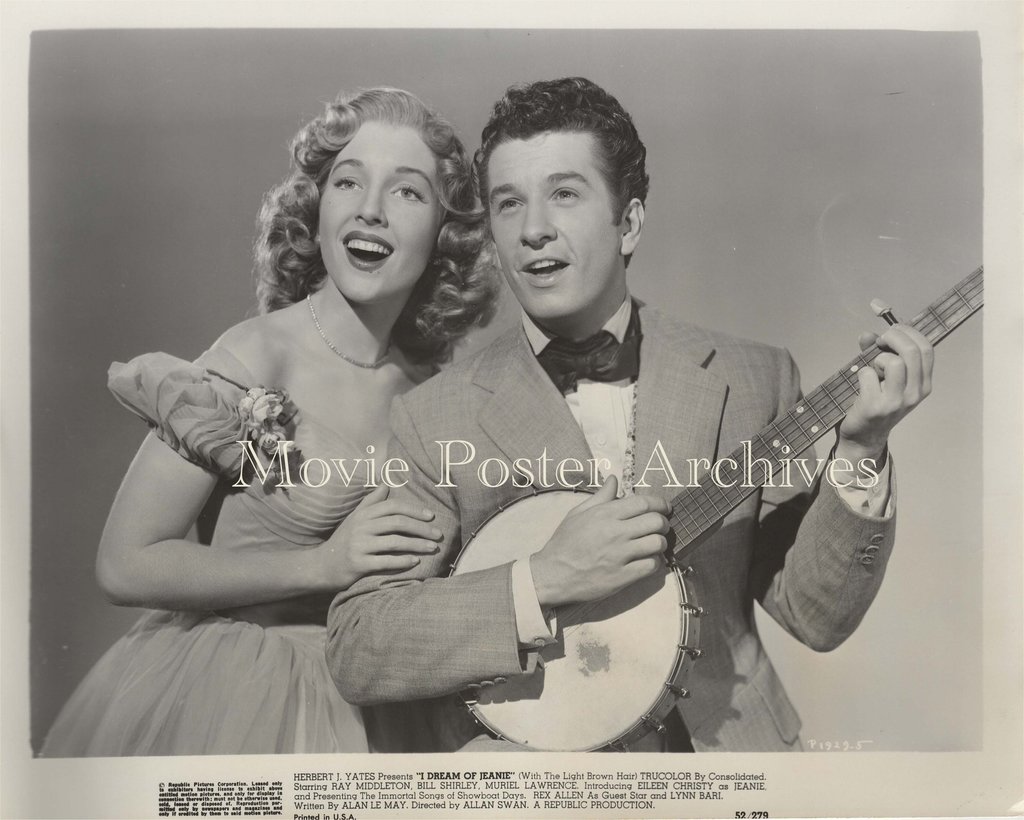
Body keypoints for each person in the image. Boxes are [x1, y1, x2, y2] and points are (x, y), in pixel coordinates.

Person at [325, 77, 935, 753]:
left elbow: (817, 617)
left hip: (726, 765)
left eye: (564, 193)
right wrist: (543, 578)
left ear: (630, 222)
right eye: (509, 203)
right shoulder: (436, 416)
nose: (533, 229)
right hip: (538, 777)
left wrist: (861, 451)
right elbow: (360, 646)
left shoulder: (753, 378)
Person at [40, 87, 497, 756]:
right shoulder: (258, 356)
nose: (370, 209)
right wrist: (322, 565)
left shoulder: (433, 392)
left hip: (381, 712)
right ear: (317, 209)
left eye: (407, 192)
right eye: (349, 181)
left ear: (442, 234)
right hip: (234, 698)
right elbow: (125, 563)